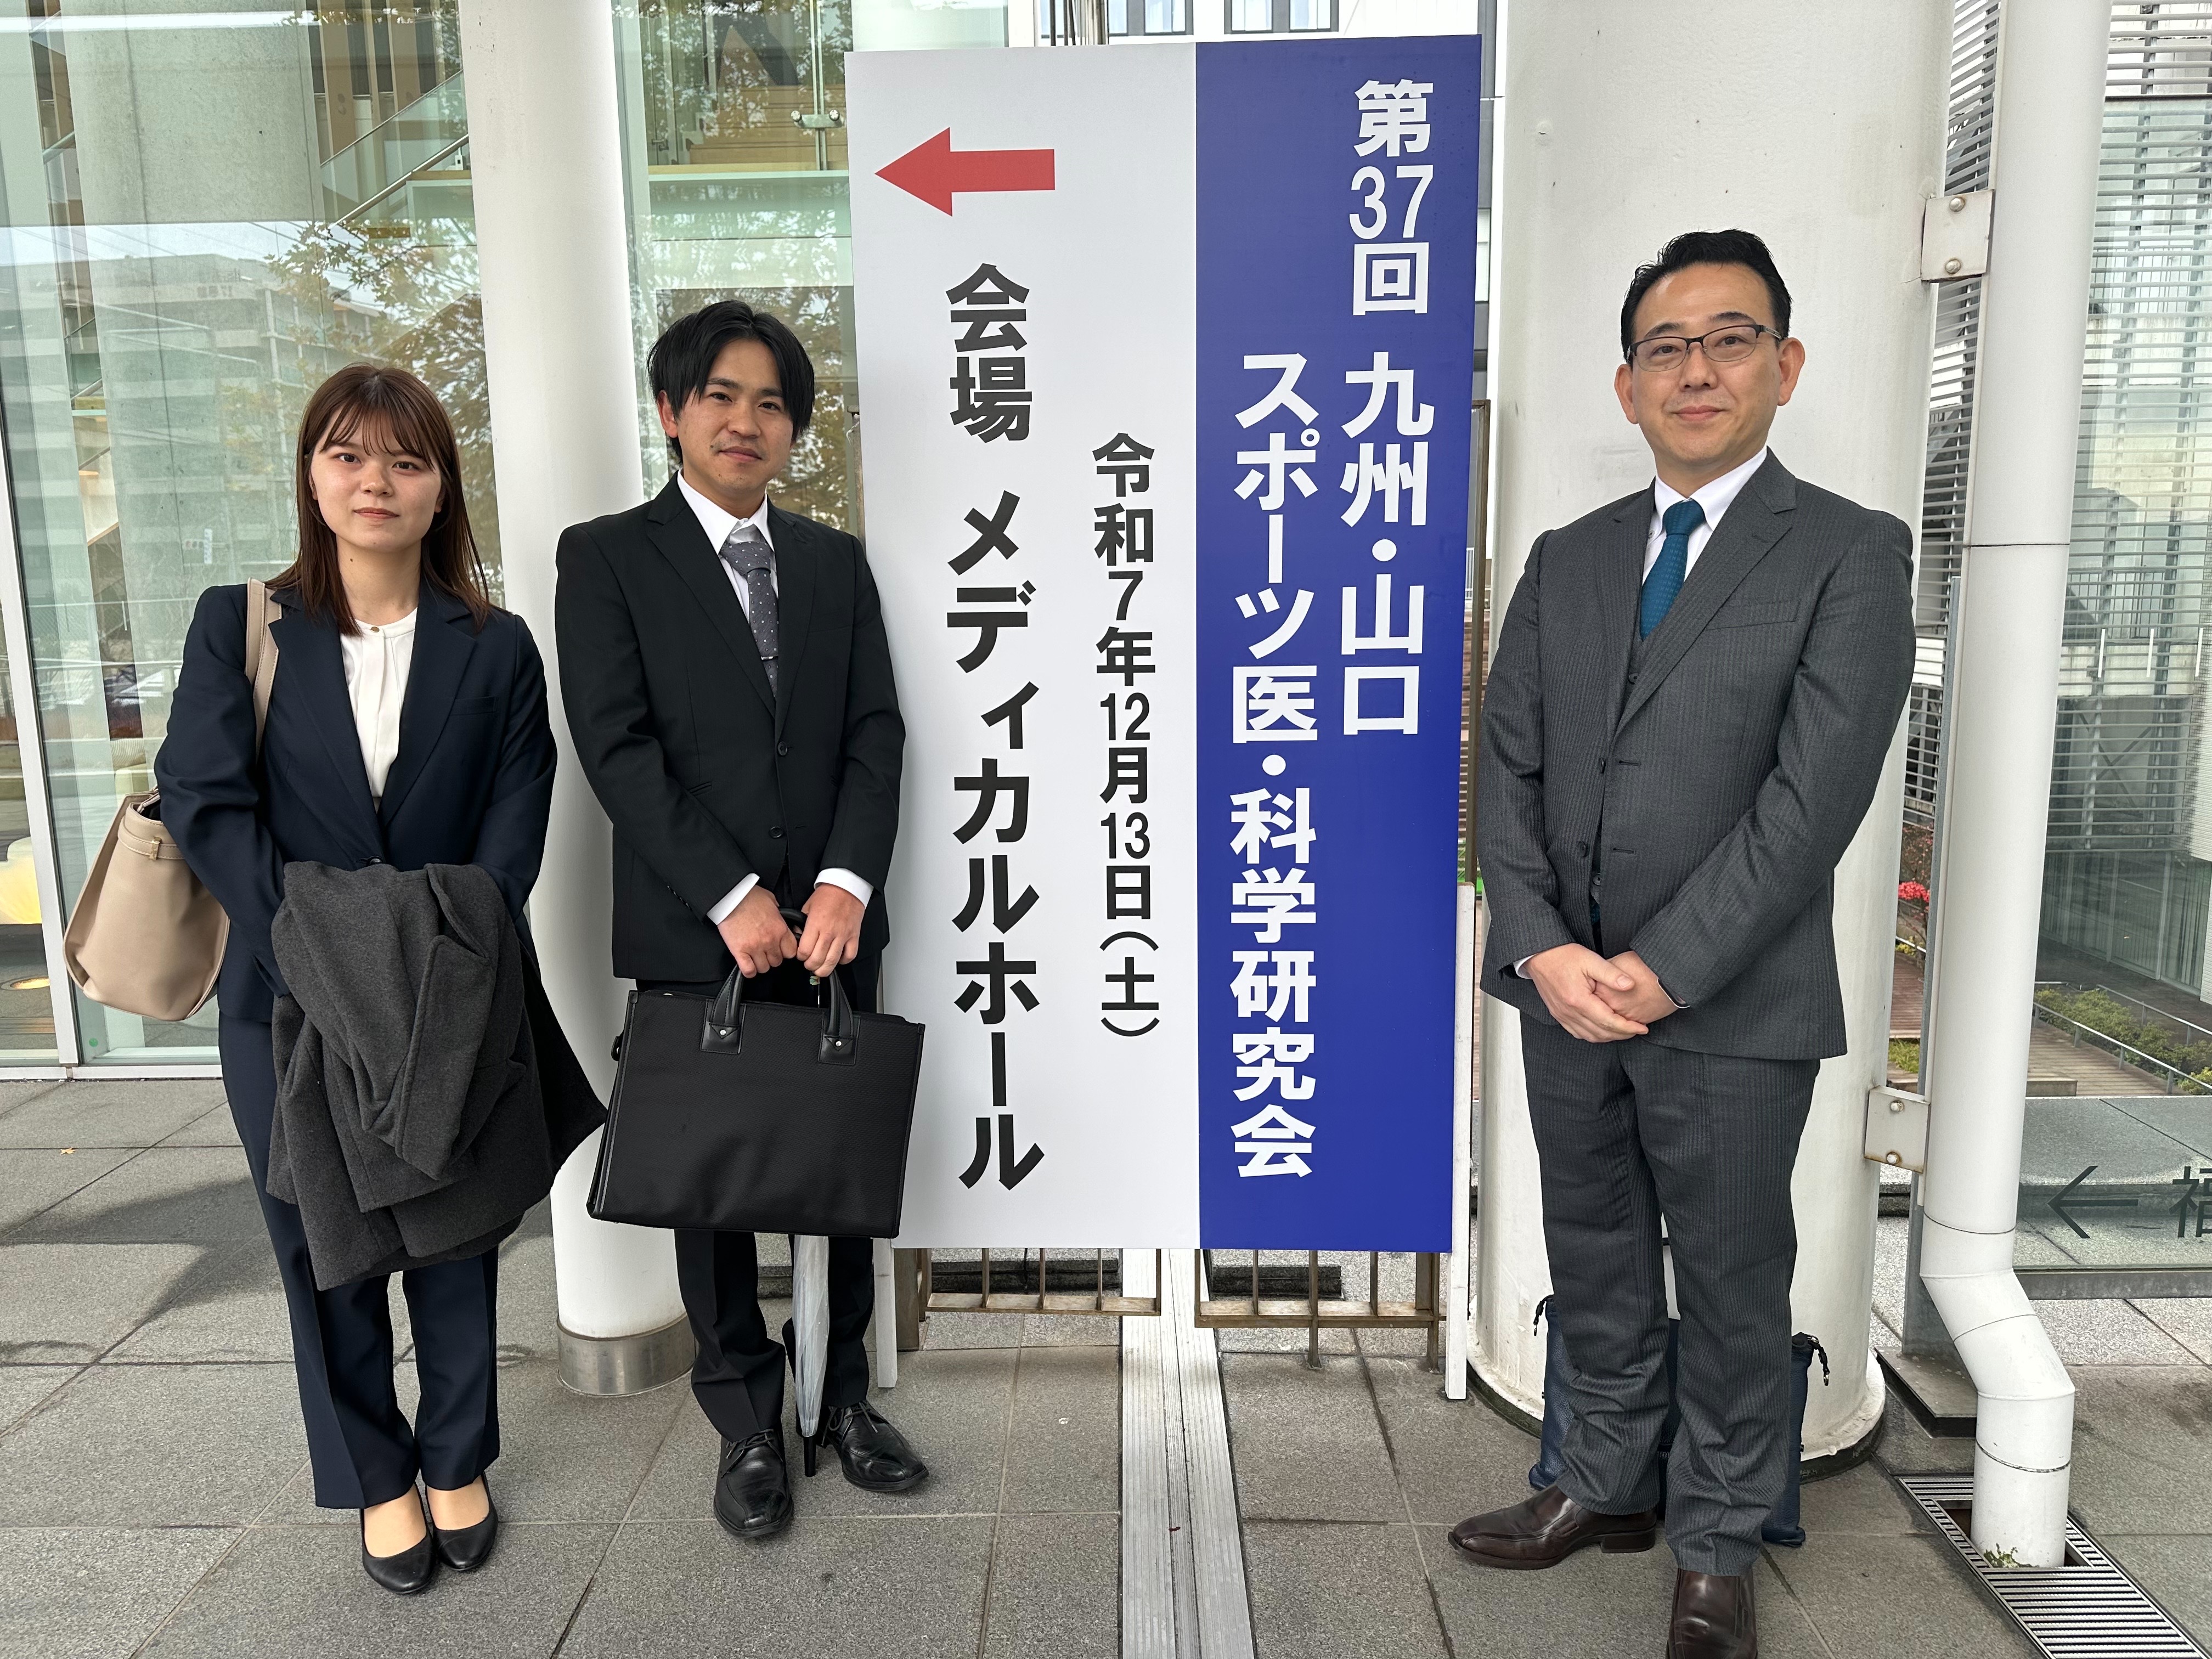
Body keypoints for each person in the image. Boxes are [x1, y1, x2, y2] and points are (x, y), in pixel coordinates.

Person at [1457, 231, 1915, 1659]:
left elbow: (1813, 804)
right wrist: (1545, 952)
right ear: (1627, 384)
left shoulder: (1848, 553)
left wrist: (1661, 971)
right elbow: (1505, 766)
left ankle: (1716, 1544)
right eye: (1667, 347)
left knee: (1729, 1278)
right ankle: (1602, 1480)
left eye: (1730, 339)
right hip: (1564, 994)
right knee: (1593, 1246)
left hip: (1731, 1003)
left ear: (1786, 365)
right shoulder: (1569, 559)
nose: (1697, 369)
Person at [157, 364, 558, 1594]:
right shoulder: (240, 623)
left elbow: (516, 821)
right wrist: (316, 952)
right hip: (286, 995)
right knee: (315, 1236)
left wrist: (445, 956)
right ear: (312, 477)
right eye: (347, 454)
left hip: (447, 989)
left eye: (405, 459)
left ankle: (457, 1457)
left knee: (453, 1224)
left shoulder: (495, 647)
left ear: (441, 490)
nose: (374, 480)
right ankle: (376, 1474)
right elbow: (205, 801)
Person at [555, 300, 919, 1543]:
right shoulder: (608, 557)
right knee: (709, 1193)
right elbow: (617, 747)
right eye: (719, 395)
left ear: (793, 430)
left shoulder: (832, 563)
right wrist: (730, 896)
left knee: (839, 1168)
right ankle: (747, 1421)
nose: (745, 421)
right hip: (695, 932)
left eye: (770, 403)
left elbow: (874, 732)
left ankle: (845, 1399)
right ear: (672, 412)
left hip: (830, 931)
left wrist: (847, 883)